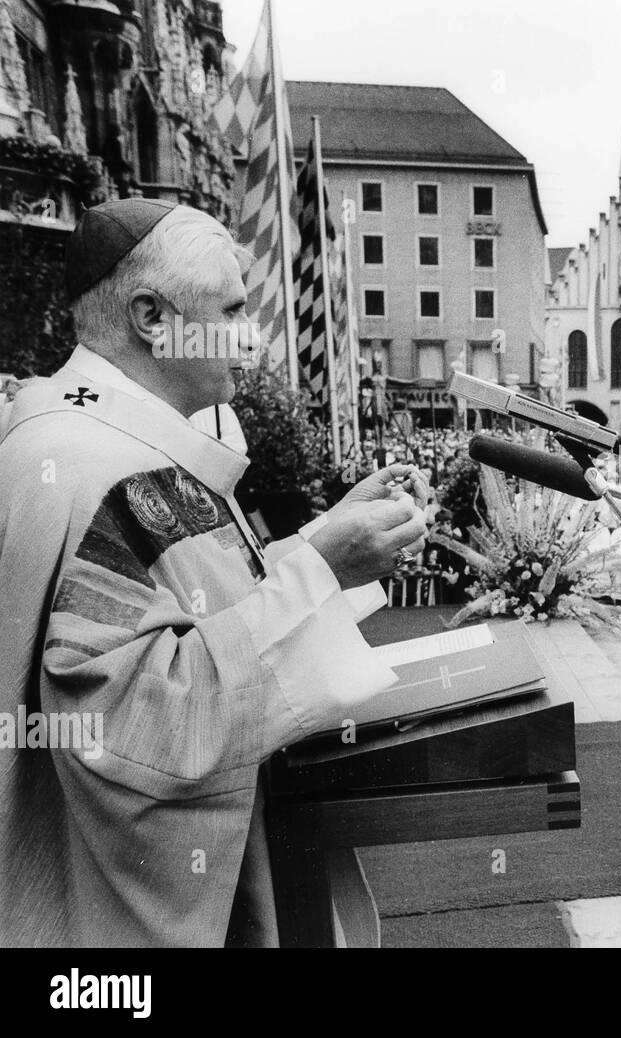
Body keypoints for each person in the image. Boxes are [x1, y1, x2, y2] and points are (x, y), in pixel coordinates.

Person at [0, 200, 431, 946]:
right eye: (231, 310)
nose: (250, 336)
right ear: (151, 316)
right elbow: (130, 718)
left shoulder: (132, 441)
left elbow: (209, 606)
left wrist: (326, 542)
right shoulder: (87, 466)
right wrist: (321, 570)